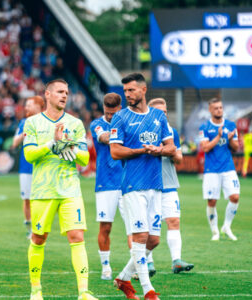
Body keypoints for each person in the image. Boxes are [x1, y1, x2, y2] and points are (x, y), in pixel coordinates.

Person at [23, 79, 97, 300]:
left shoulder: (75, 124)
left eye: (66, 92)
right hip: (43, 190)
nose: (64, 96)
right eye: (59, 92)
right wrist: (51, 145)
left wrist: (67, 144)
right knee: (38, 238)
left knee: (77, 236)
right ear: (47, 94)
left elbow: (84, 159)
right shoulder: (33, 123)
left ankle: (83, 292)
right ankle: (35, 290)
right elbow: (29, 155)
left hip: (69, 190)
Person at [110, 73, 175, 300]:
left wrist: (159, 150)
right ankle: (148, 291)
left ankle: (123, 278)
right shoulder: (120, 118)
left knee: (154, 240)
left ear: (143, 90)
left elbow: (171, 147)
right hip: (133, 185)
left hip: (155, 185)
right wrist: (140, 150)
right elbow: (115, 151)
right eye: (125, 91)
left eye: (131, 90)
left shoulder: (158, 116)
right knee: (140, 236)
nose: (127, 95)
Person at [147, 98, 194, 274]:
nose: (163, 114)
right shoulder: (143, 131)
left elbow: (180, 159)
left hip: (169, 184)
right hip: (149, 185)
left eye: (165, 111)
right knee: (149, 227)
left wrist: (169, 150)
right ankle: (149, 262)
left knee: (174, 221)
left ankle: (176, 261)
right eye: (160, 112)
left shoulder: (172, 132)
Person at [89, 92, 126, 281]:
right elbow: (103, 137)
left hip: (128, 182)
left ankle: (136, 267)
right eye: (107, 113)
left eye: (113, 113)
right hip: (105, 182)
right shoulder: (97, 124)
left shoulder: (128, 120)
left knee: (133, 228)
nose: (110, 116)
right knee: (105, 227)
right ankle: (106, 267)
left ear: (120, 108)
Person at [199, 98, 240, 241]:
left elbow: (236, 148)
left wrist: (229, 139)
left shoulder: (231, 125)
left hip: (228, 168)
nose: (219, 110)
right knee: (212, 201)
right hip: (211, 170)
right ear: (210, 110)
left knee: (235, 197)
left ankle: (227, 226)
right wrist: (218, 136)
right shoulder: (204, 127)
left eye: (221, 108)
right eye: (216, 108)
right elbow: (205, 148)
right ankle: (215, 231)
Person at [11, 96, 45, 239]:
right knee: (27, 199)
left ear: (39, 106)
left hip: (42, 166)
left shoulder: (46, 122)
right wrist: (24, 132)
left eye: (29, 105)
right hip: (26, 167)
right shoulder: (23, 122)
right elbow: (14, 143)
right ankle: (30, 227)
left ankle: (40, 228)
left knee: (40, 200)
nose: (26, 108)